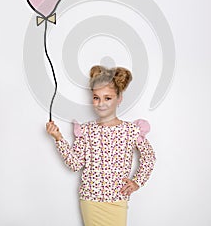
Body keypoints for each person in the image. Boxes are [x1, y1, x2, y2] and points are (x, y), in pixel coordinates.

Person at [46, 65, 156, 226]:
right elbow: (75, 164)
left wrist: (137, 182)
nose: (101, 103)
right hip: (90, 200)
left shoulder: (131, 130)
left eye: (107, 98)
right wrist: (58, 138)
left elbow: (149, 157)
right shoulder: (86, 130)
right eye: (96, 97)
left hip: (117, 200)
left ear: (119, 99)